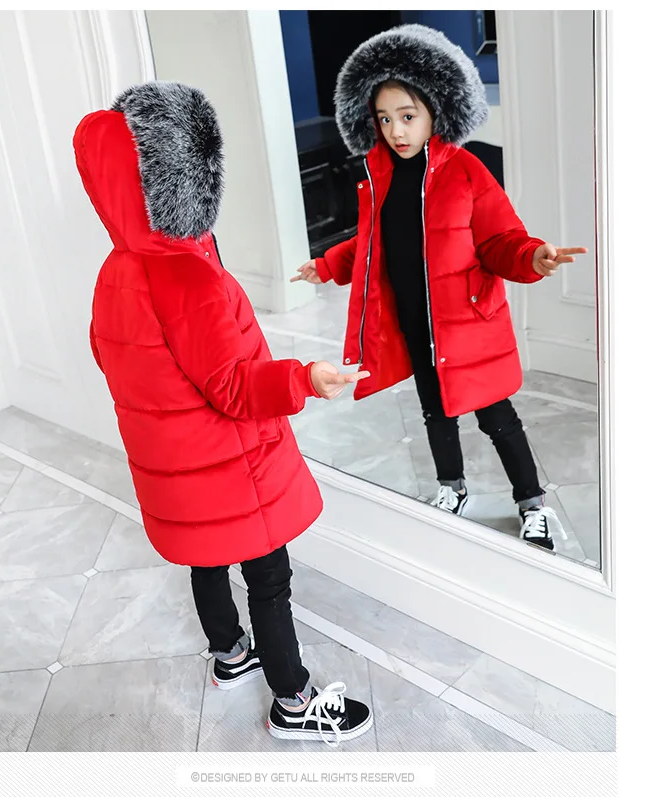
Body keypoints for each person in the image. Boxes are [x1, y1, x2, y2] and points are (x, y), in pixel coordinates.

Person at [74, 81, 373, 745]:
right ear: (186, 183)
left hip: (177, 468)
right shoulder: (189, 278)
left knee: (205, 556)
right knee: (268, 577)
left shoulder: (115, 271)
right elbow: (236, 388)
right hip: (234, 467)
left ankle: (230, 653)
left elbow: (106, 354)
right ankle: (294, 700)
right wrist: (304, 378)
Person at [292, 25, 588, 551]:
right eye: (384, 118)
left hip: (467, 326)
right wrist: (328, 264)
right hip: (416, 325)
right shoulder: (379, 175)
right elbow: (373, 242)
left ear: (435, 110)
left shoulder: (465, 170)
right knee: (435, 411)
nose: (396, 131)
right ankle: (452, 486)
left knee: (497, 418)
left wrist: (532, 256)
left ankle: (532, 503)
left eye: (407, 116)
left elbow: (500, 239)